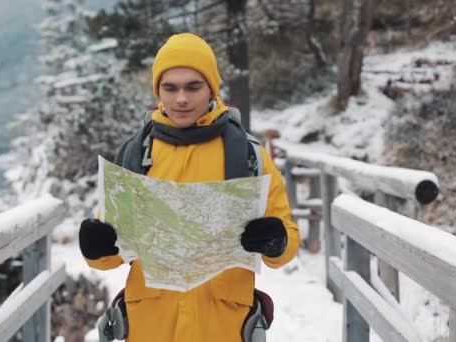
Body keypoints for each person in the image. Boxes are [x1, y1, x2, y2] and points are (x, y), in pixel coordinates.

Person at [79, 32, 299, 342]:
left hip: (223, 326)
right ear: (159, 90)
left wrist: (275, 241)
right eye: (170, 88)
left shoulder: (249, 155)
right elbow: (111, 255)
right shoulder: (135, 154)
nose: (181, 98)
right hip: (149, 326)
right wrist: (97, 246)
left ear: (211, 87)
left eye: (193, 87)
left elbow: (287, 241)